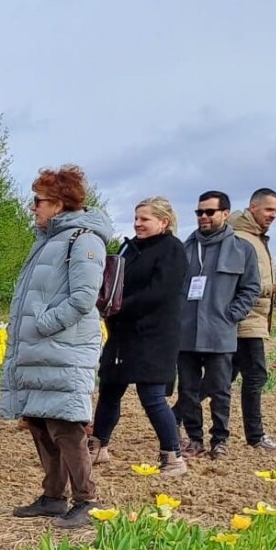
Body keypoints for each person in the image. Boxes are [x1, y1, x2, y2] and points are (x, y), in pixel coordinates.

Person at [3, 166, 114, 528]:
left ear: (60, 203)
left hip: (64, 349)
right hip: (42, 350)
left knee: (65, 425)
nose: (33, 207)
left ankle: (86, 500)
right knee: (39, 421)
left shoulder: (84, 240)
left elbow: (83, 298)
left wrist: (44, 323)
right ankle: (53, 497)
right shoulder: (48, 240)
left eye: (39, 200)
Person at [89, 197, 190, 475]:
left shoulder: (172, 250)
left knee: (152, 396)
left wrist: (119, 306)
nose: (137, 224)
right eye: (136, 218)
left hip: (154, 335)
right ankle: (98, 447)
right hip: (123, 332)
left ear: (163, 222)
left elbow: (160, 293)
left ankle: (173, 457)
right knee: (110, 388)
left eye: (144, 219)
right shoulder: (130, 247)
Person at [175, 190, 262, 460]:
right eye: (199, 212)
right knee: (188, 390)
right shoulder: (185, 249)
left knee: (220, 390)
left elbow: (251, 288)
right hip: (186, 332)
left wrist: (232, 315)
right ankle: (194, 439)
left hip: (219, 332)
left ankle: (220, 440)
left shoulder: (242, 249)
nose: (203, 216)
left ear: (225, 214)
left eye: (209, 212)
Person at [231, 188, 276, 452]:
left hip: (252, 318)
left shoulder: (257, 238)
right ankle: (256, 436)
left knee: (221, 379)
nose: (273, 215)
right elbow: (235, 283)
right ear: (253, 207)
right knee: (255, 376)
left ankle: (175, 417)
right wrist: (271, 289)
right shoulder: (241, 238)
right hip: (246, 319)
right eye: (269, 209)